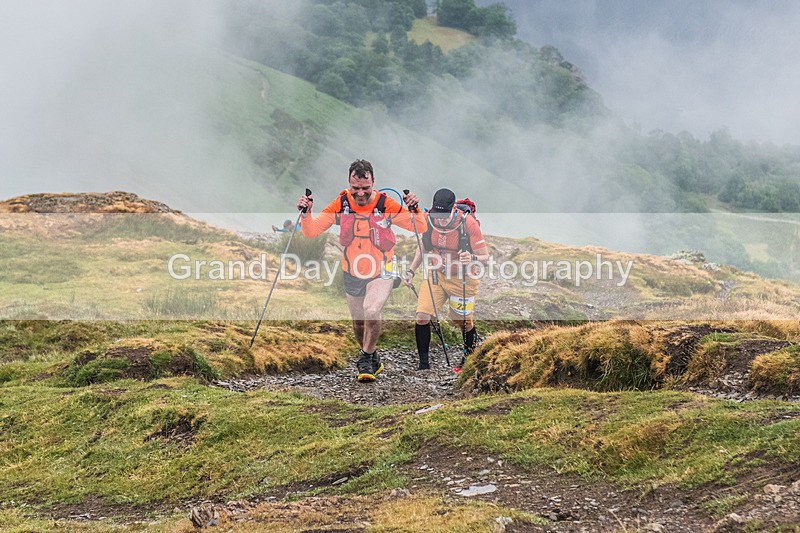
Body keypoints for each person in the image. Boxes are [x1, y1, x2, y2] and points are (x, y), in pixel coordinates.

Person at [296, 159, 425, 382]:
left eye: (366, 188)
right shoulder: (341, 203)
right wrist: (306, 215)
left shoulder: (385, 204)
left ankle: (365, 359)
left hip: (383, 267)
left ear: (373, 182)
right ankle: (372, 356)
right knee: (358, 322)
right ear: (349, 183)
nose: (361, 193)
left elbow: (419, 226)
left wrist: (414, 208)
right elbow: (311, 232)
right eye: (355, 188)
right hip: (352, 270)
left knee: (371, 309)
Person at [403, 188, 489, 370]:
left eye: (444, 215)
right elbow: (423, 247)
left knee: (463, 322)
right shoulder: (429, 219)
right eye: (437, 214)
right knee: (422, 316)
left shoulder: (468, 224)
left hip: (463, 278)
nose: (440, 220)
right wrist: (411, 271)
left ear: (453, 209)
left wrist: (472, 257)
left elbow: (485, 257)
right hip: (436, 275)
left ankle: (468, 360)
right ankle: (423, 365)